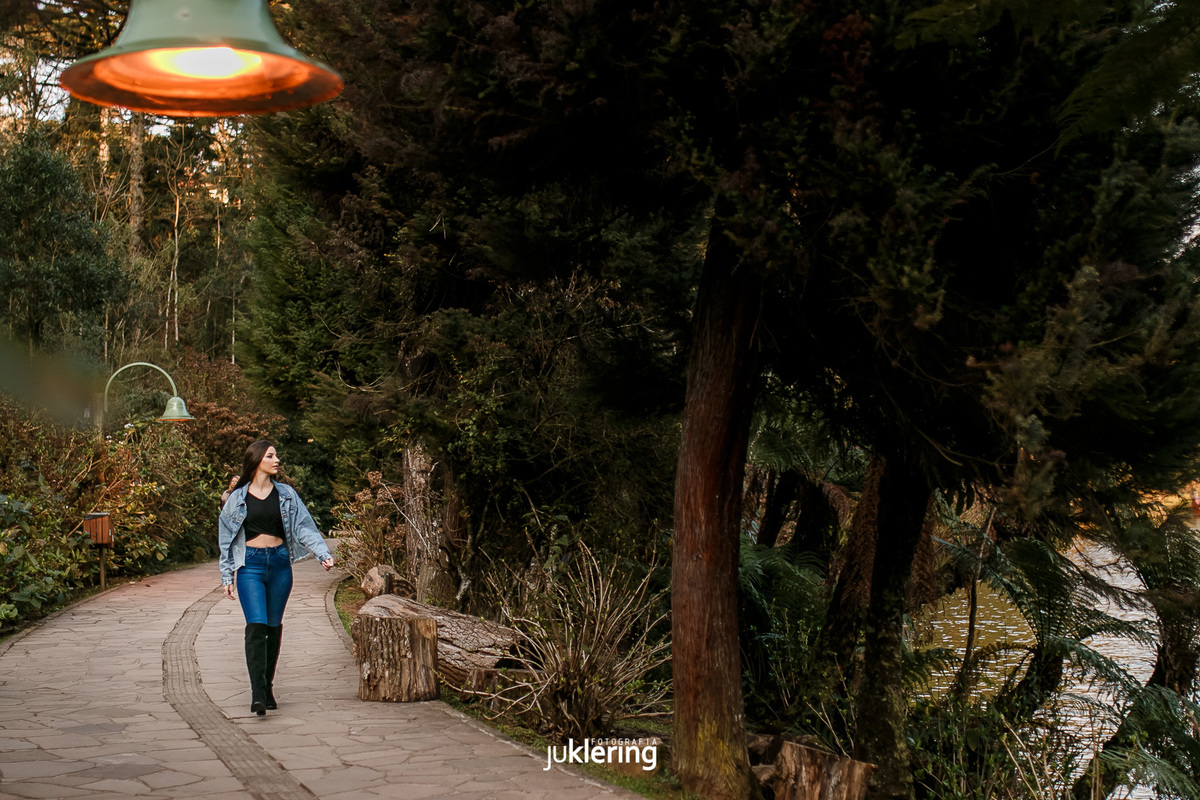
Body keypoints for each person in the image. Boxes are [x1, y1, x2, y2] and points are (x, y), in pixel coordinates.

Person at [218, 440, 334, 715]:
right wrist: (226, 575)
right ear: (257, 459)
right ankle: (257, 693)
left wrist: (322, 553)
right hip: (250, 567)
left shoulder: (286, 494)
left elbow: (304, 527)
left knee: (272, 627)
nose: (276, 460)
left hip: (280, 564)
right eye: (271, 455)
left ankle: (267, 687)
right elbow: (225, 539)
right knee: (256, 625)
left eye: (276, 455)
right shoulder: (237, 498)